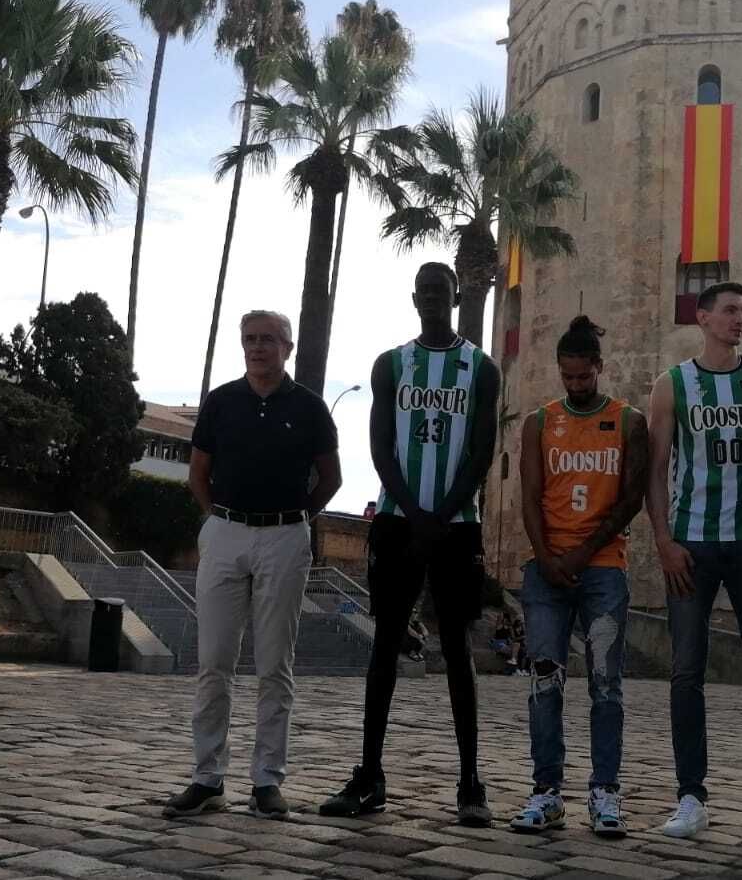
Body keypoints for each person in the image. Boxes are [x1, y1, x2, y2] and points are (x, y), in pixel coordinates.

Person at [319, 262, 500, 826]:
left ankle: (470, 782)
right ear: (412, 298)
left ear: (454, 296)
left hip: (456, 523)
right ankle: (369, 773)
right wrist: (414, 512)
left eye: (439, 292)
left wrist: (441, 515)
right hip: (399, 520)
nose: (430, 300)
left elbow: (480, 450)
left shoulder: (482, 369)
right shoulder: (391, 364)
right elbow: (379, 444)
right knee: (386, 645)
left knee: (457, 649)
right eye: (422, 292)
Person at [163, 310, 342, 821]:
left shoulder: (308, 408)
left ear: (287, 347)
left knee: (274, 665)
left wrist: (298, 519)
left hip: (285, 536)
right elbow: (199, 472)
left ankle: (267, 779)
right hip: (225, 533)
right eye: (249, 339)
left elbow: (331, 477)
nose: (257, 347)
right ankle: (207, 777)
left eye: (267, 340)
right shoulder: (221, 402)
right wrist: (218, 520)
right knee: (213, 661)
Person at [645, 282, 742, 847]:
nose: (741, 319)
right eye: (731, 311)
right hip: (692, 542)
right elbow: (656, 468)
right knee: (686, 669)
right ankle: (690, 795)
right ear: (702, 316)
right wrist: (663, 539)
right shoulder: (672, 386)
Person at [509, 316, 648, 838]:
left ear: (598, 368)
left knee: (606, 684)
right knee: (545, 680)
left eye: (583, 377)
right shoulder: (540, 423)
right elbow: (529, 496)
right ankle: (546, 792)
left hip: (603, 567)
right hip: (547, 569)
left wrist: (584, 551)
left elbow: (630, 499)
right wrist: (545, 558)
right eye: (567, 377)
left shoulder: (628, 421)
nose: (575, 385)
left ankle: (604, 791)